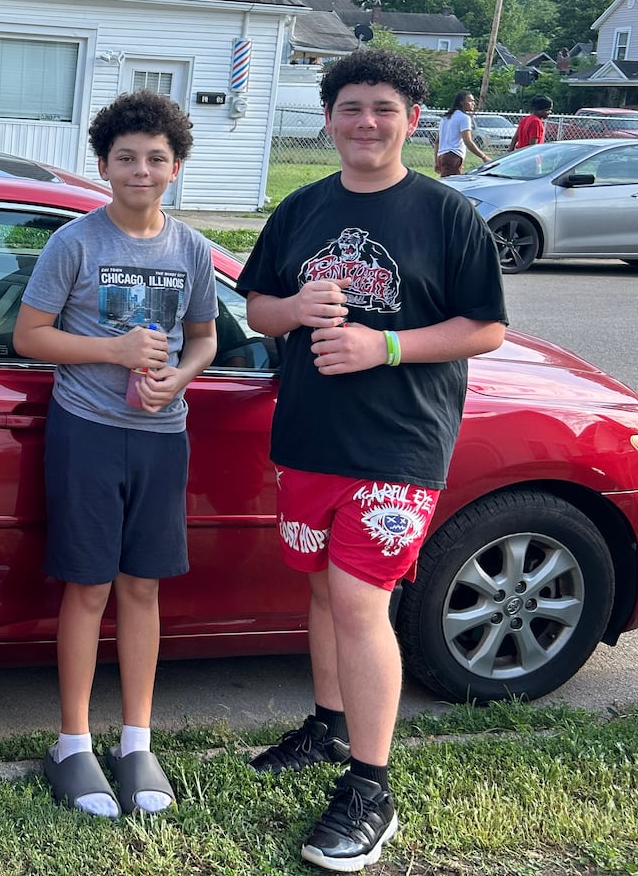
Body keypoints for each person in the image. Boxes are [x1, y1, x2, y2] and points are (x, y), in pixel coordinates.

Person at [236, 49, 507, 872]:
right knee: (322, 590)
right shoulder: (301, 209)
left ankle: (371, 786)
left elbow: (485, 328)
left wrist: (383, 344)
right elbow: (256, 310)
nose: (366, 122)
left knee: (359, 601)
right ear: (327, 120)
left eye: (383, 108)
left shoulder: (447, 214)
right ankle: (327, 724)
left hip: (399, 442)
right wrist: (293, 307)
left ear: (412, 121)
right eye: (350, 107)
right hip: (310, 441)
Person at [12, 89, 218, 819]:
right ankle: (73, 742)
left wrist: (180, 377)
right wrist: (114, 349)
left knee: (142, 589)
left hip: (162, 437)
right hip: (88, 431)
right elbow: (29, 336)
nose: (141, 170)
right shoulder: (77, 242)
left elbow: (205, 336)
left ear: (176, 167)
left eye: (155, 159)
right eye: (126, 158)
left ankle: (136, 741)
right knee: (88, 588)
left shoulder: (190, 248)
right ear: (103, 165)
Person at [434, 91, 488, 176]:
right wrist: (483, 157)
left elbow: (437, 142)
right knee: (452, 186)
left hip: (442, 156)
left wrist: (437, 160)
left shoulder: (445, 118)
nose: (473, 103)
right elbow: (468, 141)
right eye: (470, 101)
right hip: (453, 156)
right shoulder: (464, 118)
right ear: (461, 102)